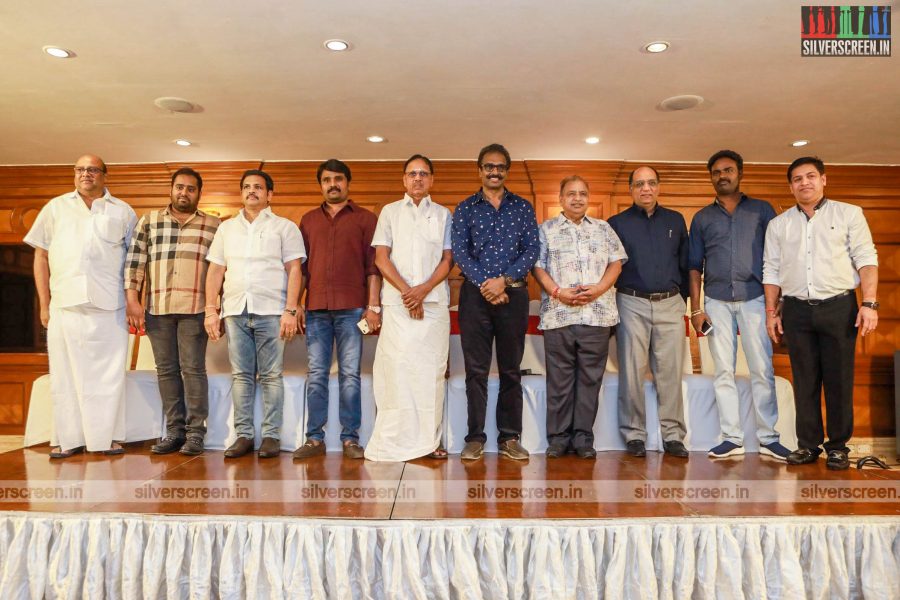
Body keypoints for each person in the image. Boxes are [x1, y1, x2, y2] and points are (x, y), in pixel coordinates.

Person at [763, 157, 878, 470]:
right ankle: (808, 445)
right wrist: (771, 312)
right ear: (791, 186)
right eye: (797, 179)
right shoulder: (779, 225)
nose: (804, 183)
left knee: (839, 378)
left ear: (823, 179)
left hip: (840, 307)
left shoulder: (849, 214)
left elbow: (867, 258)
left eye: (810, 176)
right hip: (796, 310)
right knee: (805, 379)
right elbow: (771, 270)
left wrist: (869, 303)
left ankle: (838, 446)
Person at [24, 154, 137, 458]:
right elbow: (41, 257)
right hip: (65, 303)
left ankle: (107, 438)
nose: (85, 174)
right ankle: (66, 438)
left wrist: (132, 302)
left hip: (109, 305)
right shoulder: (55, 208)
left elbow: (134, 263)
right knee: (64, 374)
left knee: (109, 375)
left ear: (104, 175)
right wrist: (44, 305)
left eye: (92, 169)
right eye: (80, 169)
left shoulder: (123, 212)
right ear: (74, 174)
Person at [688, 150, 791, 461]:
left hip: (755, 298)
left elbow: (777, 259)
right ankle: (731, 437)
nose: (723, 176)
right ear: (711, 177)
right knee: (723, 371)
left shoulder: (762, 211)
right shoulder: (702, 218)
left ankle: (768, 437)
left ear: (740, 173)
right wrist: (696, 309)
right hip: (716, 300)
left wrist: (778, 302)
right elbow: (694, 266)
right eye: (717, 172)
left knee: (762, 368)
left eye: (728, 170)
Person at [205, 170, 305, 459]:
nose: (252, 192)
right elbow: (216, 270)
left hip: (273, 311)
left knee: (272, 375)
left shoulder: (284, 228)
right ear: (241, 193)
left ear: (269, 194)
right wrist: (211, 310)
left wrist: (291, 308)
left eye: (258, 187)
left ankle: (272, 436)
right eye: (247, 187)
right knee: (241, 375)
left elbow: (295, 270)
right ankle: (244, 435)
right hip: (235, 310)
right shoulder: (226, 229)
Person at [451, 143, 540, 461]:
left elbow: (531, 250)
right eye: (489, 166)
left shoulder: (524, 208)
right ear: (479, 170)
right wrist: (486, 285)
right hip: (475, 296)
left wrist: (504, 280)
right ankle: (474, 437)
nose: (494, 171)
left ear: (507, 170)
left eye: (500, 166)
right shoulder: (465, 208)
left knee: (510, 370)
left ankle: (509, 438)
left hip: (514, 294)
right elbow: (460, 251)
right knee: (475, 371)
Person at [125, 167, 220, 456]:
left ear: (198, 194)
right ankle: (174, 432)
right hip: (157, 308)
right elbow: (135, 263)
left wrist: (215, 309)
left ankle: (195, 434)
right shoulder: (150, 221)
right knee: (166, 371)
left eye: (191, 189)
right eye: (179, 187)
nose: (184, 193)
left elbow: (221, 271)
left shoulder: (214, 225)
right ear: (171, 189)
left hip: (195, 310)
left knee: (193, 370)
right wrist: (133, 300)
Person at [364, 155, 453, 461]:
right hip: (400, 306)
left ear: (432, 180)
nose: (417, 179)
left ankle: (429, 441)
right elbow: (381, 259)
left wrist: (423, 291)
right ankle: (396, 439)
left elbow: (447, 260)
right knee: (397, 371)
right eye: (412, 174)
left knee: (430, 373)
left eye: (424, 174)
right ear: (404, 179)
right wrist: (408, 293)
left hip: (433, 306)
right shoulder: (389, 212)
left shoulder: (443, 214)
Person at [293, 159, 381, 460]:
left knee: (350, 375)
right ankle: (314, 438)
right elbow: (301, 270)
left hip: (352, 310)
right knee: (316, 373)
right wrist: (296, 306)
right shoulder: (307, 220)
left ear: (348, 183)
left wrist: (373, 307)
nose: (333, 184)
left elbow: (373, 269)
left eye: (339, 179)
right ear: (321, 185)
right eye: (327, 179)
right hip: (316, 308)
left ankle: (350, 439)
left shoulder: (366, 220)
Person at [532, 176, 625, 459]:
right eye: (571, 194)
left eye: (583, 193)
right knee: (559, 380)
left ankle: (583, 438)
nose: (577, 198)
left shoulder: (604, 228)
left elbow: (616, 263)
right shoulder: (545, 230)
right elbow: (537, 267)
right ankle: (558, 439)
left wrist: (598, 289)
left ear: (589, 198)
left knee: (589, 381)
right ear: (560, 199)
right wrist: (558, 292)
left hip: (597, 316)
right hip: (559, 315)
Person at [608, 166, 690, 458]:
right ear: (630, 189)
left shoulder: (676, 220)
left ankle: (673, 435)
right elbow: (610, 267)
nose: (646, 189)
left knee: (670, 372)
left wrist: (683, 299)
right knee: (632, 372)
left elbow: (685, 263)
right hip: (631, 303)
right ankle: (634, 434)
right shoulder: (616, 223)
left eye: (651, 183)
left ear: (658, 187)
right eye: (639, 184)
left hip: (670, 303)